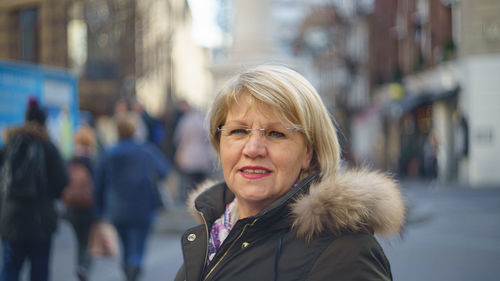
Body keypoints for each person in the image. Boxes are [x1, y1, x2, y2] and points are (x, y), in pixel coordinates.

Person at [174, 65, 405, 281]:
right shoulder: (211, 233)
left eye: (276, 134)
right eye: (239, 131)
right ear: (219, 143)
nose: (253, 149)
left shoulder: (346, 253)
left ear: (308, 153)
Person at [94, 113, 168, 281]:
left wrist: (98, 210)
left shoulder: (109, 153)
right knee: (138, 245)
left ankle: (128, 268)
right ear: (134, 130)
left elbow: (98, 183)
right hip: (143, 205)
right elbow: (163, 170)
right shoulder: (146, 150)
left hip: (117, 207)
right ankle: (134, 267)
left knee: (124, 244)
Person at [0, 98, 68, 281]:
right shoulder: (48, 147)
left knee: (10, 267)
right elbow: (62, 181)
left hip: (11, 219)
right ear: (45, 123)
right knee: (39, 271)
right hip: (40, 220)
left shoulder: (9, 145)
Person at [62, 125, 98, 281]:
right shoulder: (93, 161)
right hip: (89, 208)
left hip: (72, 207)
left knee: (79, 240)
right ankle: (85, 266)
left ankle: (80, 265)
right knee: (89, 241)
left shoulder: (70, 160)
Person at [173, 102, 214, 203]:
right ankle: (199, 201)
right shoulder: (204, 121)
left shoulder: (185, 121)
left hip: (188, 155)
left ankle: (186, 202)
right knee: (200, 184)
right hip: (203, 156)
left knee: (187, 182)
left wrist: (178, 154)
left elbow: (179, 138)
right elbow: (210, 139)